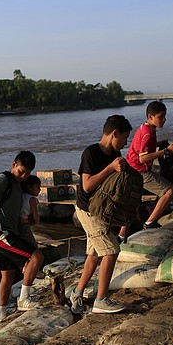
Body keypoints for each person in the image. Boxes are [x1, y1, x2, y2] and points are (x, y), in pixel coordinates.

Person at [71, 114, 133, 315]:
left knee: (94, 254)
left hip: (101, 211)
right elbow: (87, 185)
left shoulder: (114, 154)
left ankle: (77, 293)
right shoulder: (91, 153)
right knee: (111, 250)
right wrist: (110, 168)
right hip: (88, 211)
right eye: (124, 138)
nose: (125, 143)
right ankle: (101, 300)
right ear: (114, 134)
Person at [0, 150, 44, 323]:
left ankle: (1, 315)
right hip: (0, 233)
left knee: (8, 275)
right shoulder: (3, 179)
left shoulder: (19, 184)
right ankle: (23, 300)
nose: (24, 175)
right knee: (37, 256)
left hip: (9, 232)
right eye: (21, 171)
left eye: (27, 173)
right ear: (13, 165)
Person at [125, 101, 173, 233]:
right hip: (139, 171)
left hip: (132, 168)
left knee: (133, 202)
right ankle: (149, 222)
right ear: (150, 117)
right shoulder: (148, 133)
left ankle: (123, 234)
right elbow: (143, 158)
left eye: (164, 116)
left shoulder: (145, 128)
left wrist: (159, 144)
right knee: (170, 191)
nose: (164, 119)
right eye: (160, 117)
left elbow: (144, 146)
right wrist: (167, 151)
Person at [19, 175, 41, 247]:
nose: (40, 189)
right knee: (32, 246)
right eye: (38, 187)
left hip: (17, 223)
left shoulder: (21, 195)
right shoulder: (32, 199)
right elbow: (36, 218)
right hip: (25, 225)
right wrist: (37, 220)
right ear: (29, 187)